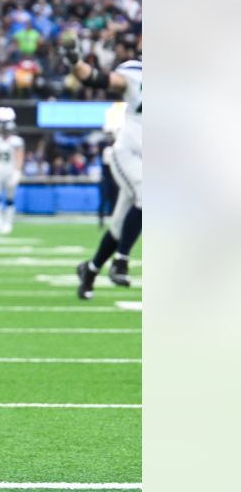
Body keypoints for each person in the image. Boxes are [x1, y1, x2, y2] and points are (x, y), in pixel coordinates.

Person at [71, 35, 142, 298]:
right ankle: (121, 261)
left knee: (118, 227)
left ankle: (89, 270)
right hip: (130, 150)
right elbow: (96, 79)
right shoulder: (135, 71)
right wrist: (74, 61)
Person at [0, 121, 25, 234]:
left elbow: (19, 156)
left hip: (10, 172)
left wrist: (17, 171)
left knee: (9, 198)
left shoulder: (16, 141)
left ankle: (8, 222)